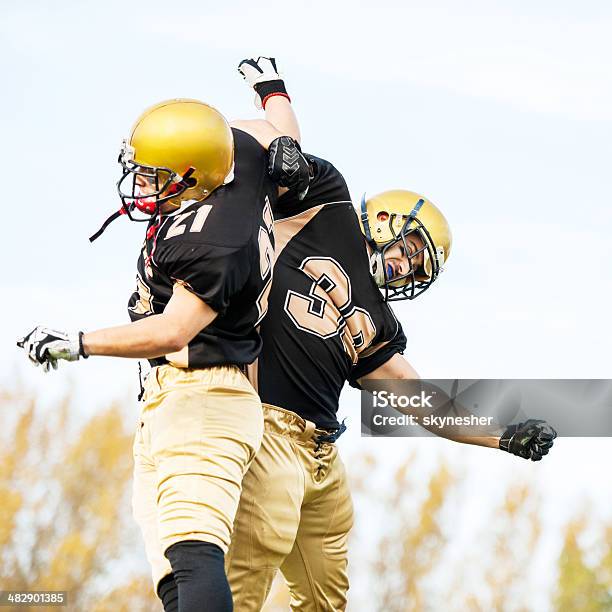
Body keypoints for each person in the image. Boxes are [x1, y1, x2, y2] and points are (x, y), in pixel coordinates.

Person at [134, 64, 558, 611]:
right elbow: (245, 143)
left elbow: (421, 398)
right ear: (383, 218)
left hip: (320, 454)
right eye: (409, 249)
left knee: (327, 600)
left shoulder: (380, 323)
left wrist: (500, 435)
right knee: (239, 588)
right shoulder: (326, 207)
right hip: (261, 425)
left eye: (419, 266)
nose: (407, 268)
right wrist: (275, 108)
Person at [16, 80, 310, 612]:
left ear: (195, 174)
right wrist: (274, 103)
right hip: (168, 400)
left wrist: (80, 343)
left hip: (204, 397)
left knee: (195, 556)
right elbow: (258, 134)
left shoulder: (216, 242)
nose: (144, 182)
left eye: (156, 173)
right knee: (174, 572)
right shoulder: (234, 165)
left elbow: (173, 330)